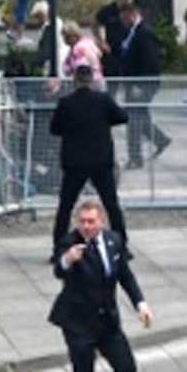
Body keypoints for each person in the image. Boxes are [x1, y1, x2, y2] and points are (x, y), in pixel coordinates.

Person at [48, 200, 153, 372]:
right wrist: (67, 260)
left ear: (101, 222)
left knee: (126, 367)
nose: (86, 226)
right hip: (78, 321)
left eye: (91, 221)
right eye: (82, 221)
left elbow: (125, 275)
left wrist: (141, 303)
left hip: (106, 319)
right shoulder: (70, 243)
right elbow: (58, 270)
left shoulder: (113, 241)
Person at [49, 65, 129, 254]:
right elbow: (122, 117)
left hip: (75, 161)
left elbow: (55, 129)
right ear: (92, 80)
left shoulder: (66, 103)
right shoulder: (103, 100)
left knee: (66, 206)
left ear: (75, 81)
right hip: (100, 159)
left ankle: (59, 247)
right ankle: (121, 246)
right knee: (111, 204)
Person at [119, 3, 171, 169]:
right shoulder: (133, 32)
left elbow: (149, 61)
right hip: (131, 82)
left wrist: (139, 84)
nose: (123, 22)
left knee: (134, 118)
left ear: (132, 14)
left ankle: (135, 157)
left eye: (125, 18)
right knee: (140, 114)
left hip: (142, 83)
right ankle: (160, 139)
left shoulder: (144, 33)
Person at [92, 0, 134, 85]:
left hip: (129, 52)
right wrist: (101, 42)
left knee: (128, 83)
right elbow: (95, 24)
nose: (125, 1)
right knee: (112, 84)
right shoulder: (108, 11)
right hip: (112, 51)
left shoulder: (133, 11)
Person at [30, 0, 67, 77]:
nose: (37, 20)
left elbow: (45, 46)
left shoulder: (50, 25)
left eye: (38, 17)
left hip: (57, 58)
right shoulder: (54, 22)